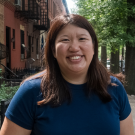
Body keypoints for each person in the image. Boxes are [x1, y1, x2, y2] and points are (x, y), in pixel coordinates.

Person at [0, 14, 134, 135]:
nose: (74, 47)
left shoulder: (115, 88)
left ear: (93, 47)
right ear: (53, 50)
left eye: (82, 38)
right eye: (65, 40)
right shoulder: (31, 92)